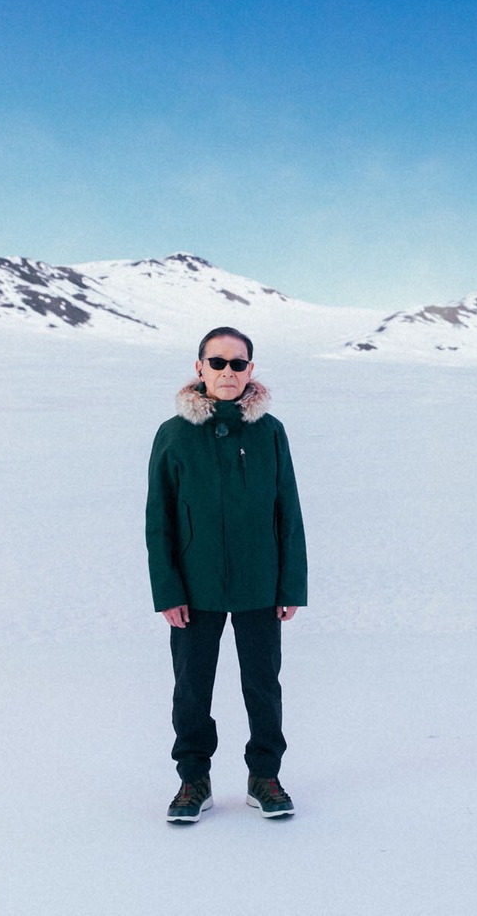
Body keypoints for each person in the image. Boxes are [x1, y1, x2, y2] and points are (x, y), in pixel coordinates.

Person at [145, 326, 308, 824]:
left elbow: (289, 511)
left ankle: (265, 777)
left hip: (260, 581)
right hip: (195, 587)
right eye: (218, 363)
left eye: (238, 364)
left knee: (263, 683)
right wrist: (167, 590)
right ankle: (193, 780)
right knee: (192, 686)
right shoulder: (173, 434)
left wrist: (290, 585)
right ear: (199, 369)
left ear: (251, 371)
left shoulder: (270, 431)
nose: (228, 373)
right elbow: (160, 519)